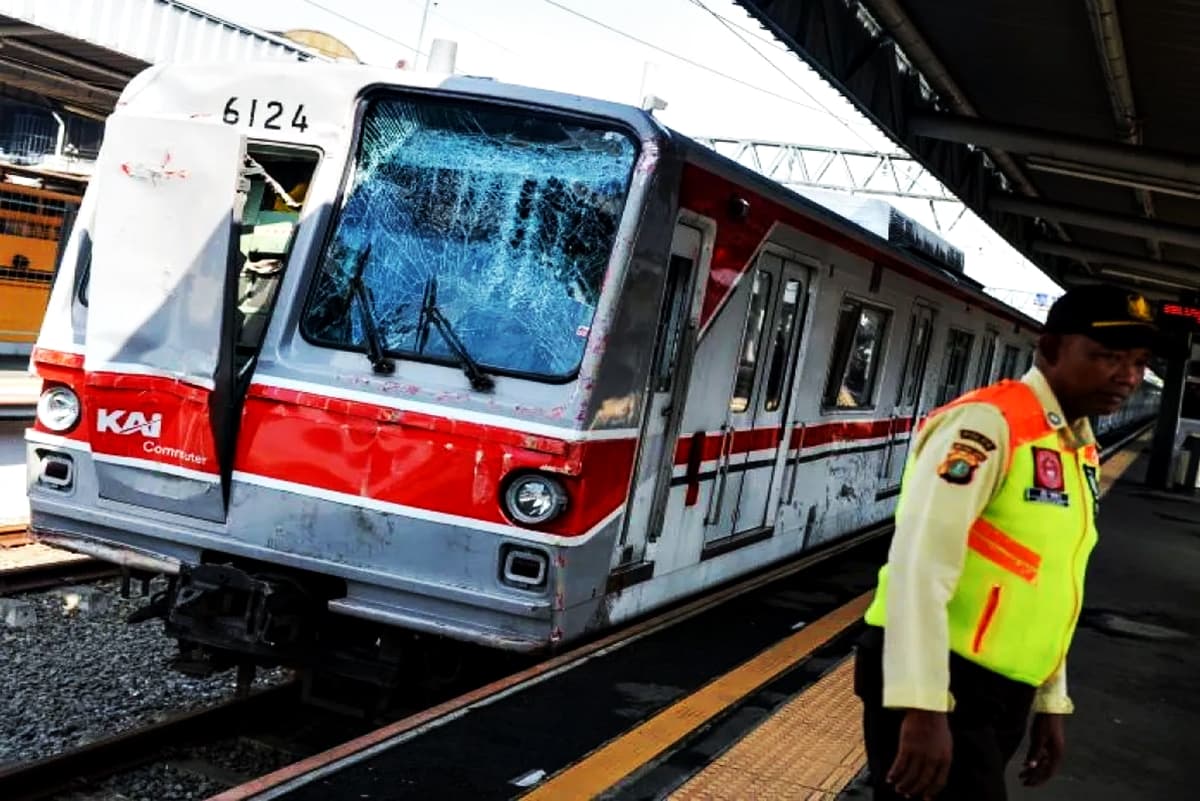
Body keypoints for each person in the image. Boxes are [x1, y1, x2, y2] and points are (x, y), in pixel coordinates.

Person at [854, 284, 1157, 800]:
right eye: (1106, 356)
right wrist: (923, 706)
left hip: (1000, 691)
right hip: (947, 682)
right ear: (1051, 348)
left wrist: (1049, 701)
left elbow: (1052, 579)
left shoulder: (1074, 445)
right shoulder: (988, 425)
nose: (1126, 376)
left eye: (1136, 361)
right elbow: (919, 564)